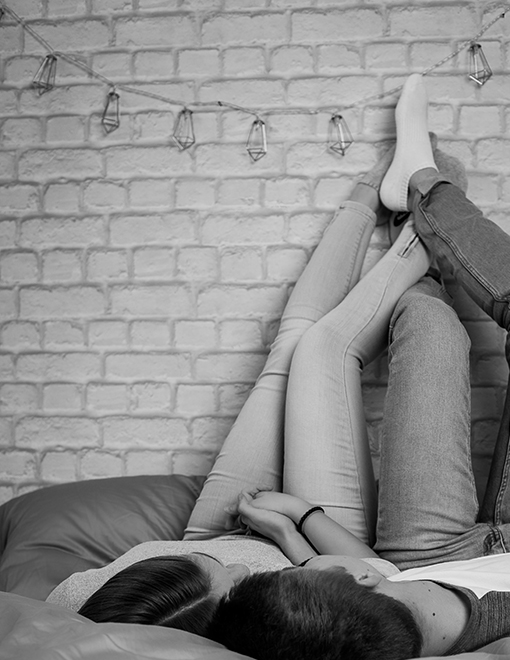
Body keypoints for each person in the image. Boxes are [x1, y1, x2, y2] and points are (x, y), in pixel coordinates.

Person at [208, 73, 510, 660]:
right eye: (308, 565)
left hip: (426, 557)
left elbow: (376, 580)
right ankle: (427, 186)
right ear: (358, 580)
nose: (307, 559)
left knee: (427, 320)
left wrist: (298, 520)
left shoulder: (386, 628)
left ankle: (417, 223)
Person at [47, 140, 444, 633]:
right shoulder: (261, 631)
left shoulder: (79, 601)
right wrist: (291, 523)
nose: (240, 568)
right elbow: (382, 578)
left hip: (205, 535)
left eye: (221, 569)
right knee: (322, 349)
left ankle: (369, 195)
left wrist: (205, 554)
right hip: (307, 539)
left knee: (290, 345)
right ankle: (433, 214)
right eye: (236, 584)